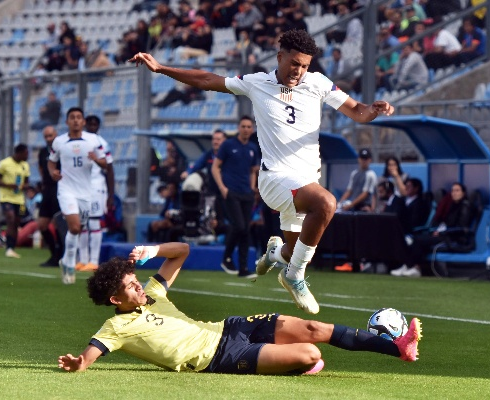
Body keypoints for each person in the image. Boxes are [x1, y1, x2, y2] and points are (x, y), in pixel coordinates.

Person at [129, 29, 394, 314]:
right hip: (275, 180)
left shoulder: (319, 83)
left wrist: (374, 110)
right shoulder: (256, 83)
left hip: (306, 182)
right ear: (280, 57)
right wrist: (161, 68)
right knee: (327, 203)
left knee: (295, 251)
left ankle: (275, 254)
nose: (299, 71)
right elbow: (207, 80)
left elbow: (358, 112)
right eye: (294, 63)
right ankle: (293, 276)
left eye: (305, 65)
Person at [57, 242, 423, 374]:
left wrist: (152, 250)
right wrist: (79, 363)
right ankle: (294, 363)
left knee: (313, 330)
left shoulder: (153, 293)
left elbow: (182, 250)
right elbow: (91, 353)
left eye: (135, 279)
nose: (138, 284)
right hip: (219, 357)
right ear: (114, 300)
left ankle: (398, 347)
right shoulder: (114, 327)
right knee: (311, 354)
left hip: (229, 328)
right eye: (129, 286)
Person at [48, 107, 107, 285]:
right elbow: (51, 162)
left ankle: (66, 259)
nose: (75, 120)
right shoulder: (59, 141)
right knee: (74, 228)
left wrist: (96, 159)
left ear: (83, 122)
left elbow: (105, 163)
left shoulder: (93, 140)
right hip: (66, 190)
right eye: (72, 117)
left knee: (78, 229)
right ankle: (71, 263)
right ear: (67, 122)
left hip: (86, 193)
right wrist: (53, 173)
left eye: (78, 117)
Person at [211, 116, 259, 279]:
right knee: (238, 226)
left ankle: (243, 268)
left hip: (246, 193)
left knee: (245, 230)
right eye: (243, 126)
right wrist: (222, 188)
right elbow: (215, 167)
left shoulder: (253, 148)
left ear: (251, 129)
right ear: (238, 128)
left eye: (248, 127)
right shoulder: (228, 145)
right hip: (231, 192)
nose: (246, 129)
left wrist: (252, 188)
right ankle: (227, 257)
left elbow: (253, 170)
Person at [392, 182, 473, 278]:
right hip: (443, 234)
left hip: (452, 238)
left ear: (463, 193)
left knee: (420, 240)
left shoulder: (465, 206)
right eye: (452, 190)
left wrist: (442, 232)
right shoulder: (451, 206)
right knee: (417, 239)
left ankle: (413, 267)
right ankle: (410, 266)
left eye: (457, 190)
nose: (454, 193)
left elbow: (460, 227)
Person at [76, 115, 115, 272]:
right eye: (89, 124)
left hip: (96, 187)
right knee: (83, 224)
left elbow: (109, 168)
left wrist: (111, 195)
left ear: (98, 126)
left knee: (93, 222)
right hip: (82, 187)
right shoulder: (81, 142)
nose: (92, 126)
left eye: (95, 124)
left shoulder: (101, 143)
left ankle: (94, 260)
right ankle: (83, 260)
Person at [0, 144, 31, 258]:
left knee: (16, 223)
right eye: (26, 153)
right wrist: (8, 185)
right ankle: (8, 248)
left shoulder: (25, 165)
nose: (27, 155)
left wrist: (25, 186)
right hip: (6, 197)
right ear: (19, 153)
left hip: (19, 199)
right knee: (10, 218)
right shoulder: (5, 163)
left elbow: (27, 182)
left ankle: (12, 247)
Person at [37, 126, 63, 267]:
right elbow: (41, 169)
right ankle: (54, 254)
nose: (48, 139)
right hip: (47, 190)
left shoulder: (62, 150)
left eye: (50, 136)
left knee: (59, 224)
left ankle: (61, 255)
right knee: (42, 224)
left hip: (59, 189)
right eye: (46, 136)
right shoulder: (42, 152)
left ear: (56, 135)